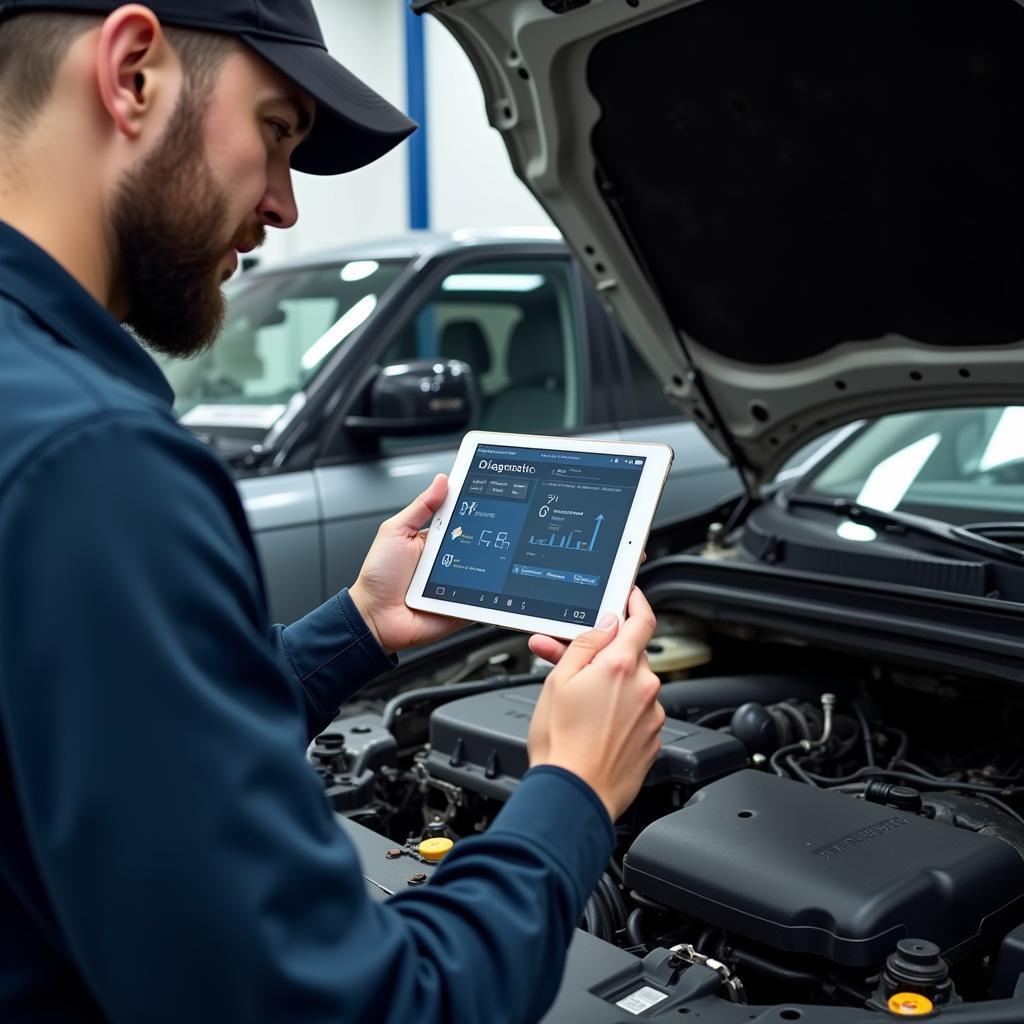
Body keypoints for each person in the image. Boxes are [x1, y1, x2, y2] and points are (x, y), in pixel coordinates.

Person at [0, 2, 666, 1021]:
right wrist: (571, 792)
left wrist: (354, 628)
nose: (284, 206)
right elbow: (362, 1006)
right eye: (277, 129)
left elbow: (79, 754)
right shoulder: (94, 463)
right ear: (134, 73)